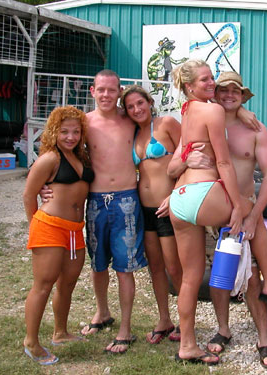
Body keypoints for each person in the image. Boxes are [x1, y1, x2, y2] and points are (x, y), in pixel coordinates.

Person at [168, 60, 267, 365]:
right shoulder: (209, 115)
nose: (229, 94)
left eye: (236, 91)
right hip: (216, 206)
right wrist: (186, 166)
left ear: (243, 96)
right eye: (222, 88)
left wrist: (252, 212)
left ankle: (264, 339)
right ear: (213, 92)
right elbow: (177, 165)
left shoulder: (254, 128)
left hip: (229, 208)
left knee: (249, 276)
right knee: (215, 277)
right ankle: (222, 329)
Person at [42, 70, 149, 354]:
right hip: (96, 201)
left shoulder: (131, 121)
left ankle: (125, 329)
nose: (106, 95)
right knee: (98, 263)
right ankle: (102, 312)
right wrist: (43, 183)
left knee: (125, 268)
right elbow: (55, 152)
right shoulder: (84, 124)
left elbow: (158, 129)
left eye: (111, 90)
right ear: (92, 91)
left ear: (119, 91)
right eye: (101, 90)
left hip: (127, 199)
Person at [23, 106, 93, 365]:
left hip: (75, 231)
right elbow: (29, 195)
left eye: (76, 131)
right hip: (50, 227)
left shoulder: (83, 157)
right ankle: (31, 342)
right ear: (54, 131)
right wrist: (35, 226)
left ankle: (60, 332)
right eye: (64, 131)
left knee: (68, 284)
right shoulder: (49, 159)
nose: (70, 137)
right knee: (43, 285)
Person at [120, 85, 182, 344]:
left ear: (149, 101)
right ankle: (164, 319)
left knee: (173, 266)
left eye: (139, 103)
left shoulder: (166, 123)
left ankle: (184, 320)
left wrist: (177, 194)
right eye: (130, 107)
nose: (136, 109)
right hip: (144, 209)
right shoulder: (134, 133)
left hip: (167, 206)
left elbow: (188, 156)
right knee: (155, 266)